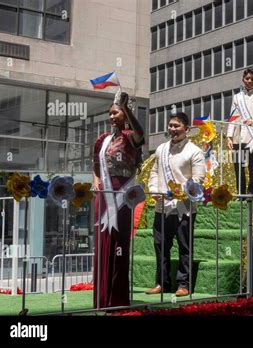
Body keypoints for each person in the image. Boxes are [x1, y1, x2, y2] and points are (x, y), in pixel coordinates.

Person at [92, 91, 145, 308]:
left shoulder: (131, 137)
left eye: (116, 113)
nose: (112, 117)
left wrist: (129, 110)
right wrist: (96, 182)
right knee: (103, 244)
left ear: (125, 114)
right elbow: (96, 165)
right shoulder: (102, 140)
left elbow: (140, 133)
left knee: (119, 244)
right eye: (110, 114)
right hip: (104, 195)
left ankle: (117, 298)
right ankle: (101, 297)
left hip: (122, 196)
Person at [146, 112, 205, 297]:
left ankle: (183, 284)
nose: (172, 129)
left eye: (176, 126)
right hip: (162, 206)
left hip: (183, 208)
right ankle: (162, 282)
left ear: (186, 129)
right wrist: (154, 188)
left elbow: (198, 179)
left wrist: (180, 190)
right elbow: (154, 171)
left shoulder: (194, 151)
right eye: (170, 125)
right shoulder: (161, 149)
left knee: (184, 247)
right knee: (160, 246)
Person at [227, 67, 253, 196]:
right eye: (247, 78)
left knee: (252, 166)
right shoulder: (237, 97)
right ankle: (241, 193)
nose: (249, 81)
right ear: (243, 79)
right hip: (238, 135)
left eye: (252, 79)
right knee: (238, 166)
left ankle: (251, 193)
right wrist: (229, 136)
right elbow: (232, 117)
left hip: (252, 135)